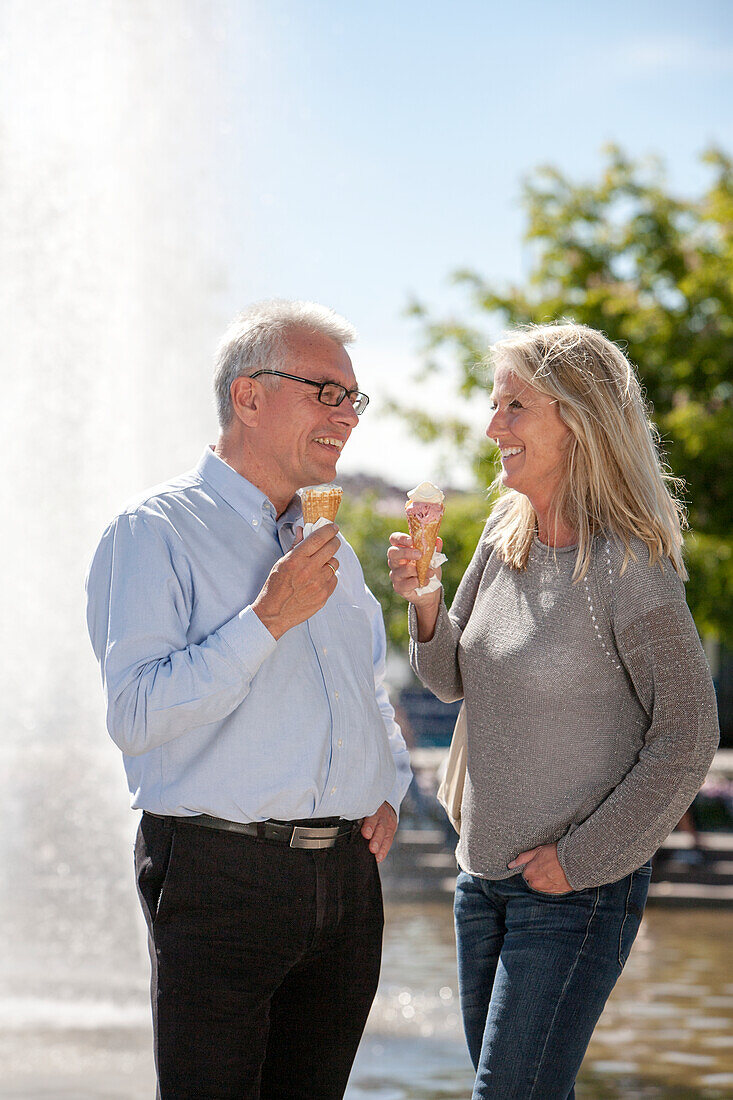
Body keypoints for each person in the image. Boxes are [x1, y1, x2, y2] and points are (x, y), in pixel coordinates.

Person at [86, 299, 411, 1100]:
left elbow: (370, 693)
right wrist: (266, 617)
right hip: (219, 873)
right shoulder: (152, 532)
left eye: (353, 399)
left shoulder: (327, 544)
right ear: (249, 398)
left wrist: (391, 789)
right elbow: (135, 717)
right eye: (325, 392)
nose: (347, 415)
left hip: (346, 880)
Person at [387, 322, 719, 1100]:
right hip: (481, 881)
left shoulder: (628, 566)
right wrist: (426, 602)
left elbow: (688, 734)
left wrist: (579, 861)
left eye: (513, 407)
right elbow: (447, 679)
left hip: (576, 892)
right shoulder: (502, 541)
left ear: (576, 419)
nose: (490, 427)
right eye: (493, 406)